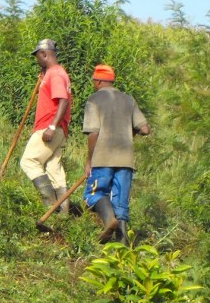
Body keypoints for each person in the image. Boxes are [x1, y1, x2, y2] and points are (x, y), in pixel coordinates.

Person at [82, 64, 151, 243]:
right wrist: (129, 133)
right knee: (121, 203)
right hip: (126, 159)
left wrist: (89, 160)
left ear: (98, 81)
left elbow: (93, 132)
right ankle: (122, 248)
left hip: (103, 157)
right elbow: (144, 129)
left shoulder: (94, 100)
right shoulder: (128, 99)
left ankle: (108, 220)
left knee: (94, 194)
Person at [20, 39, 82, 217]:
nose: (37, 60)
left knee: (29, 161)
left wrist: (51, 127)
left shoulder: (55, 74)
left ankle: (50, 206)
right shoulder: (55, 73)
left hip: (49, 127)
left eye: (37, 56)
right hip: (60, 129)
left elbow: (63, 100)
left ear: (44, 54)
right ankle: (63, 213)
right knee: (54, 169)